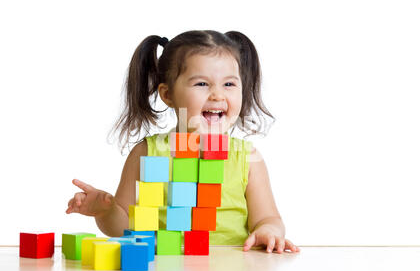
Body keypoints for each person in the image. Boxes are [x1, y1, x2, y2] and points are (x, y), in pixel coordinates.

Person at [66, 30, 300, 254]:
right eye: (202, 84)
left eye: (229, 84)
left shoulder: (247, 157)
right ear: (167, 94)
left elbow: (268, 218)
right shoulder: (147, 152)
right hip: (164, 270)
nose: (217, 95)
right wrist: (105, 211)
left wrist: (268, 231)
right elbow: (125, 228)